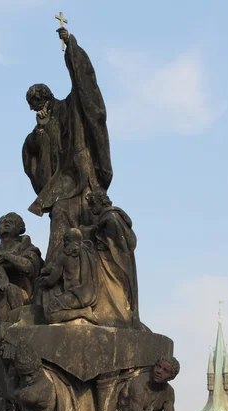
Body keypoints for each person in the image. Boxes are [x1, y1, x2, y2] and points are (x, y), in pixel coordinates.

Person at [23, 27, 113, 264]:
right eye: (33, 106)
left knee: (81, 213)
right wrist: (40, 130)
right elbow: (31, 153)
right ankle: (56, 268)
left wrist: (71, 47)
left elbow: (84, 86)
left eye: (39, 102)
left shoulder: (67, 108)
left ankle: (77, 268)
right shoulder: (41, 125)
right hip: (61, 183)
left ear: (48, 97)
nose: (37, 108)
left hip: (80, 175)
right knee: (61, 213)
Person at [84, 189, 140, 329]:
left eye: (92, 205)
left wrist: (96, 241)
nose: (91, 209)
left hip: (112, 261)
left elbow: (116, 244)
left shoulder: (111, 218)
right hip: (108, 260)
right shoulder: (109, 217)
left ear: (99, 202)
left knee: (114, 288)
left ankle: (116, 316)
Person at [0, 212, 42, 341]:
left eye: (11, 221)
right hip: (0, 296)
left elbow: (29, 268)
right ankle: (4, 326)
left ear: (20, 228)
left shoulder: (29, 248)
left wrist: (8, 257)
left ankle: (7, 327)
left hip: (25, 296)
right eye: (2, 222)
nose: (5, 223)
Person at [38, 227, 98, 324]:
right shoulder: (89, 253)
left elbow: (51, 280)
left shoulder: (65, 255)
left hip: (75, 295)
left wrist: (42, 282)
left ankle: (83, 312)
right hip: (91, 296)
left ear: (67, 241)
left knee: (51, 314)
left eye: (65, 241)